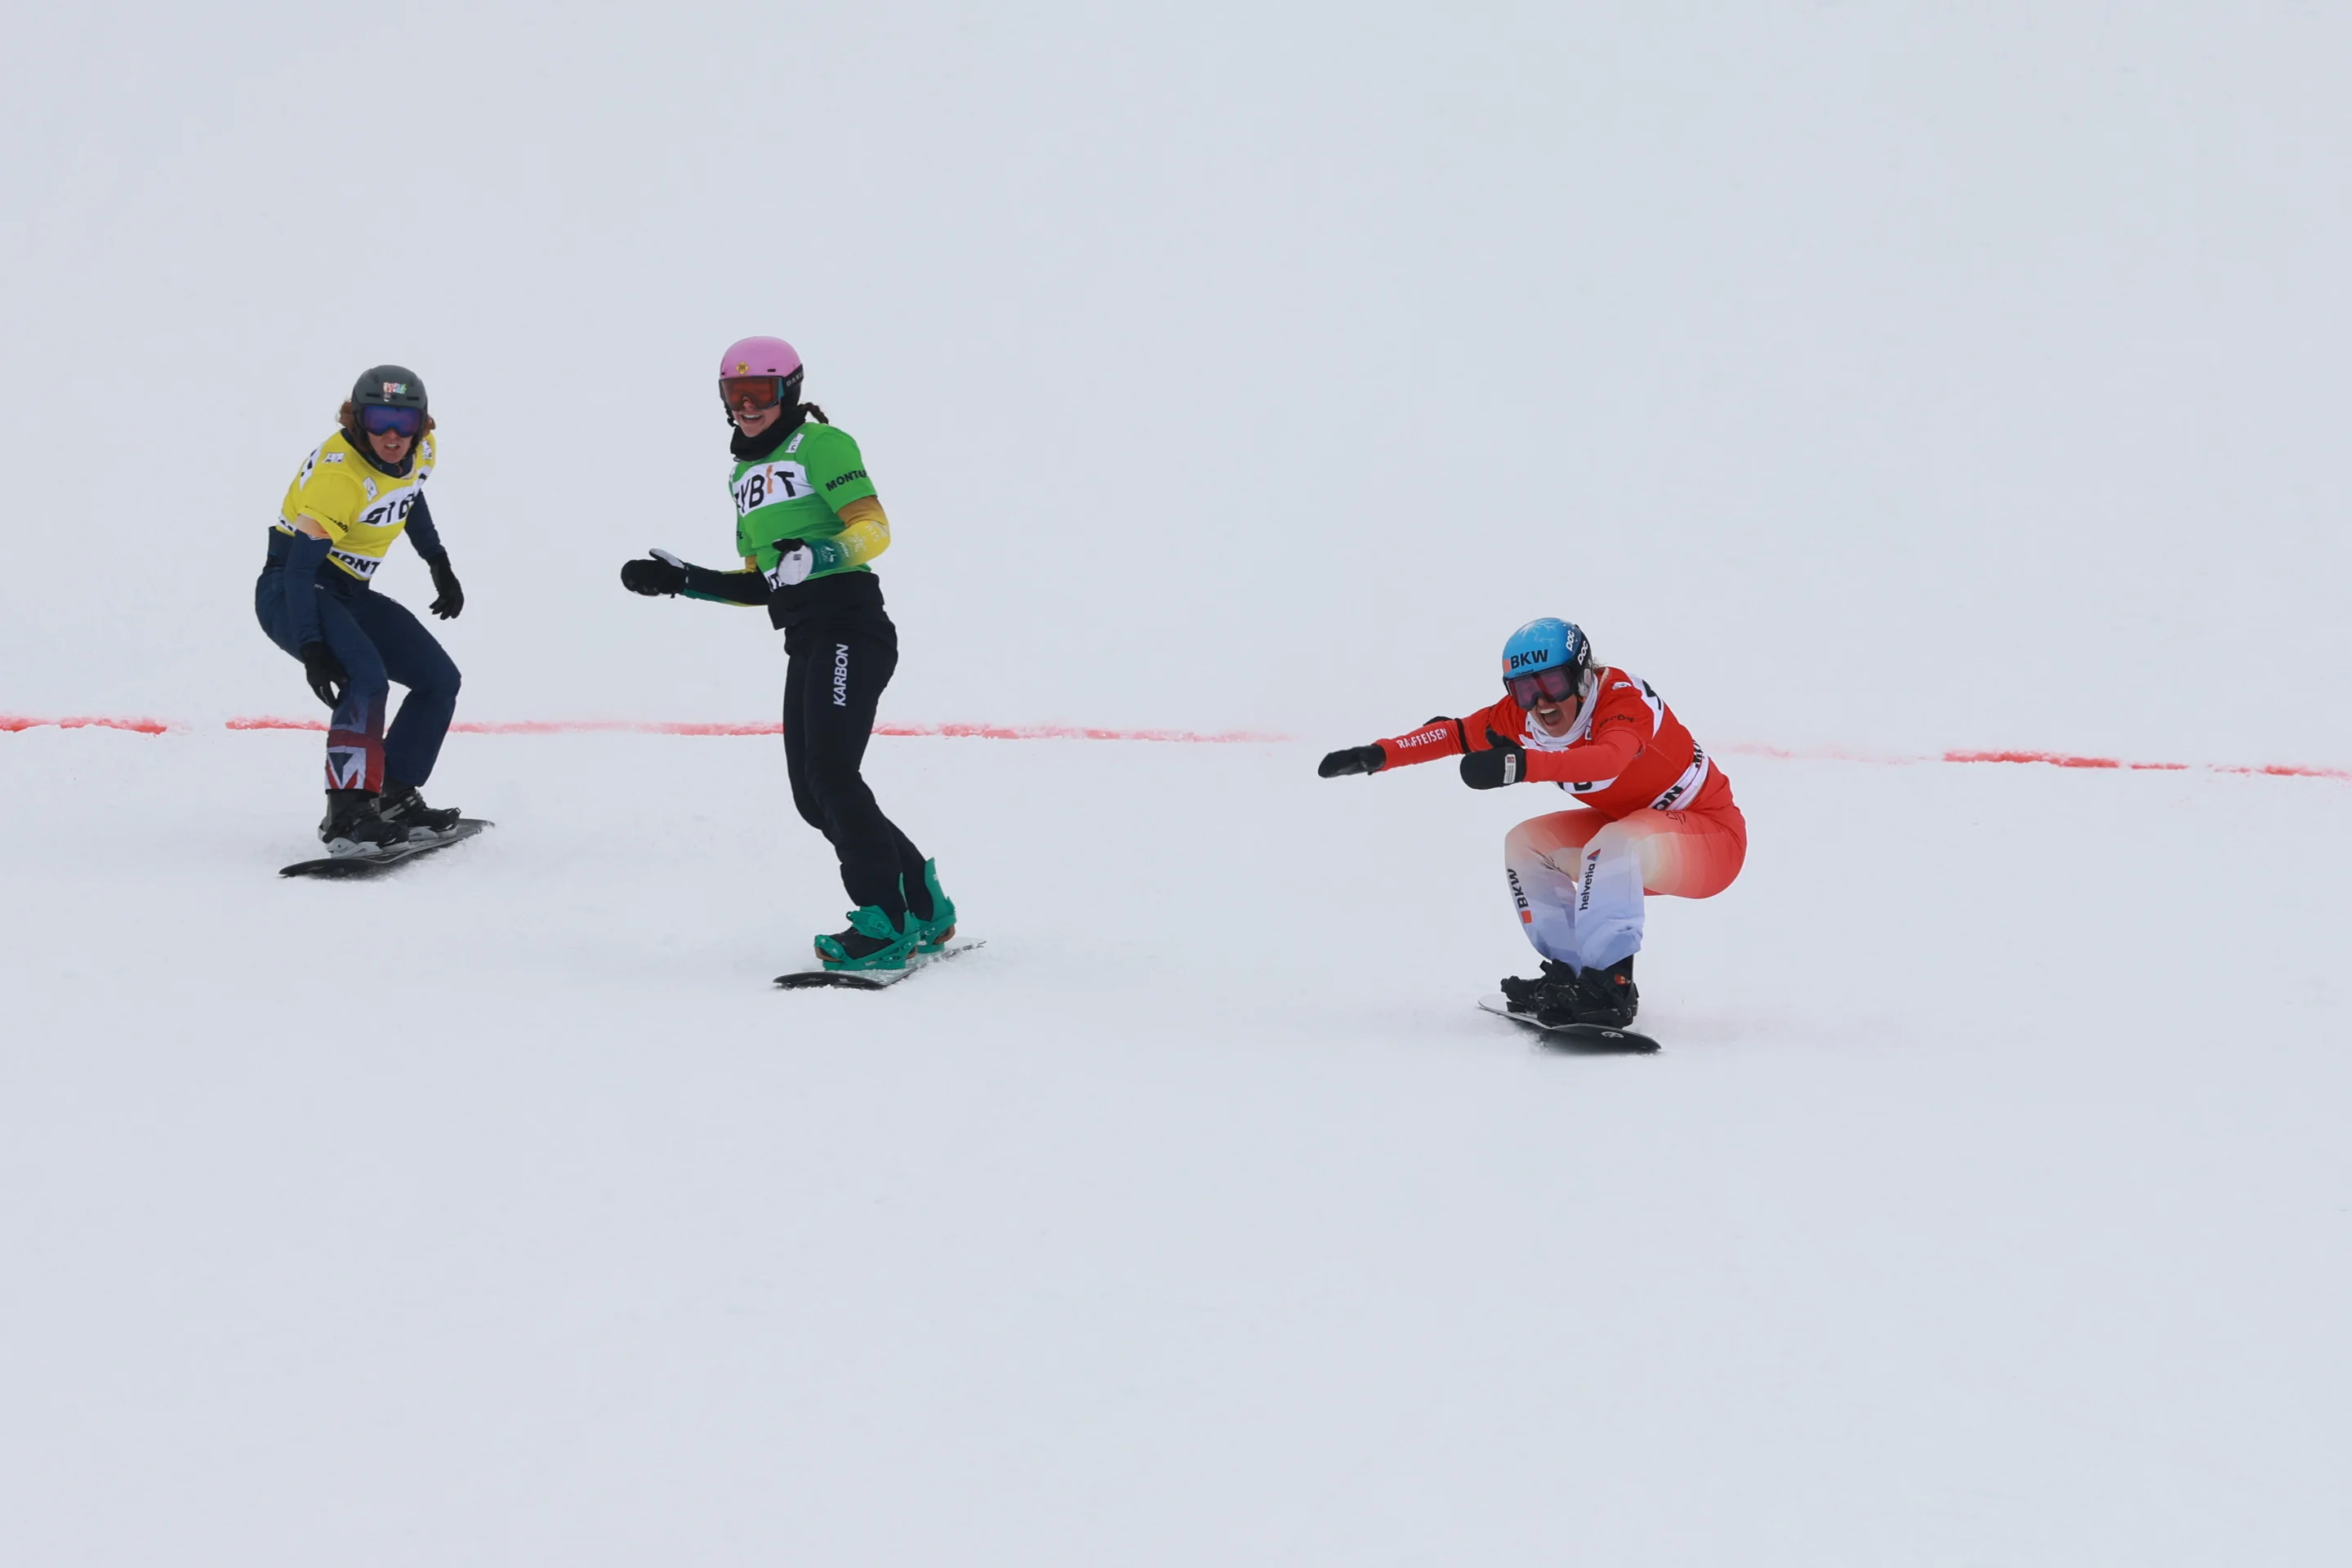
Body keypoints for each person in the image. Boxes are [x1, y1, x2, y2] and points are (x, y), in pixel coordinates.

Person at [619, 336, 953, 973]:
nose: (747, 407)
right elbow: (762, 584)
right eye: (735, 394)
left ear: (789, 391)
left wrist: (821, 554)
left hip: (851, 627)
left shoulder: (821, 445)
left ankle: (885, 920)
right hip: (806, 638)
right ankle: (923, 905)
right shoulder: (742, 476)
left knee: (832, 775)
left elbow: (874, 529)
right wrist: (682, 580)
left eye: (760, 393)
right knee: (812, 795)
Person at [1316, 618, 1745, 1027]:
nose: (1541, 703)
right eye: (1525, 690)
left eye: (1552, 684)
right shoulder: (1519, 717)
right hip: (1636, 830)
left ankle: (1610, 986)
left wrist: (1519, 765)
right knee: (1526, 844)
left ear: (1581, 676)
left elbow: (1608, 760)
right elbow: (1455, 733)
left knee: (1617, 841)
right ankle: (1571, 973)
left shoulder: (1620, 698)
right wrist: (1381, 755)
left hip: (1712, 838)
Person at [255, 365, 466, 853]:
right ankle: (347, 812)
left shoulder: (421, 450)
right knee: (365, 676)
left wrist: (438, 562)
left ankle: (393, 795)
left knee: (439, 680)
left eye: (404, 423)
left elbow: (408, 494)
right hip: (293, 589)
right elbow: (299, 572)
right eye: (378, 421)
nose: (392, 436)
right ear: (355, 420)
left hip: (347, 590)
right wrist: (311, 647)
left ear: (422, 424)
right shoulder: (339, 478)